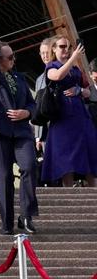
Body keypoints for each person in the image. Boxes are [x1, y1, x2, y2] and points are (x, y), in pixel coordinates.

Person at [0, 39, 39, 235]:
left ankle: (26, 216)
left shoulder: (19, 78)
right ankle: (7, 222)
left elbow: (32, 104)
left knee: (29, 165)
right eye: (9, 57)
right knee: (4, 175)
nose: (13, 60)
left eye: (14, 56)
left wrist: (26, 113)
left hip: (20, 131)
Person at [40, 37, 97, 188]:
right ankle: (69, 194)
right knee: (66, 159)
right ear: (54, 49)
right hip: (63, 118)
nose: (66, 49)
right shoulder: (51, 66)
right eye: (62, 46)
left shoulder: (75, 69)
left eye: (69, 47)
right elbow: (57, 76)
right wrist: (73, 58)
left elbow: (87, 92)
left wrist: (80, 90)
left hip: (80, 116)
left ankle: (93, 193)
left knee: (90, 152)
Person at [34, 36, 56, 163]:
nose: (45, 56)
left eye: (47, 52)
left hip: (58, 123)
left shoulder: (60, 71)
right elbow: (38, 106)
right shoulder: (39, 79)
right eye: (42, 53)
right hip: (45, 131)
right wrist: (37, 137)